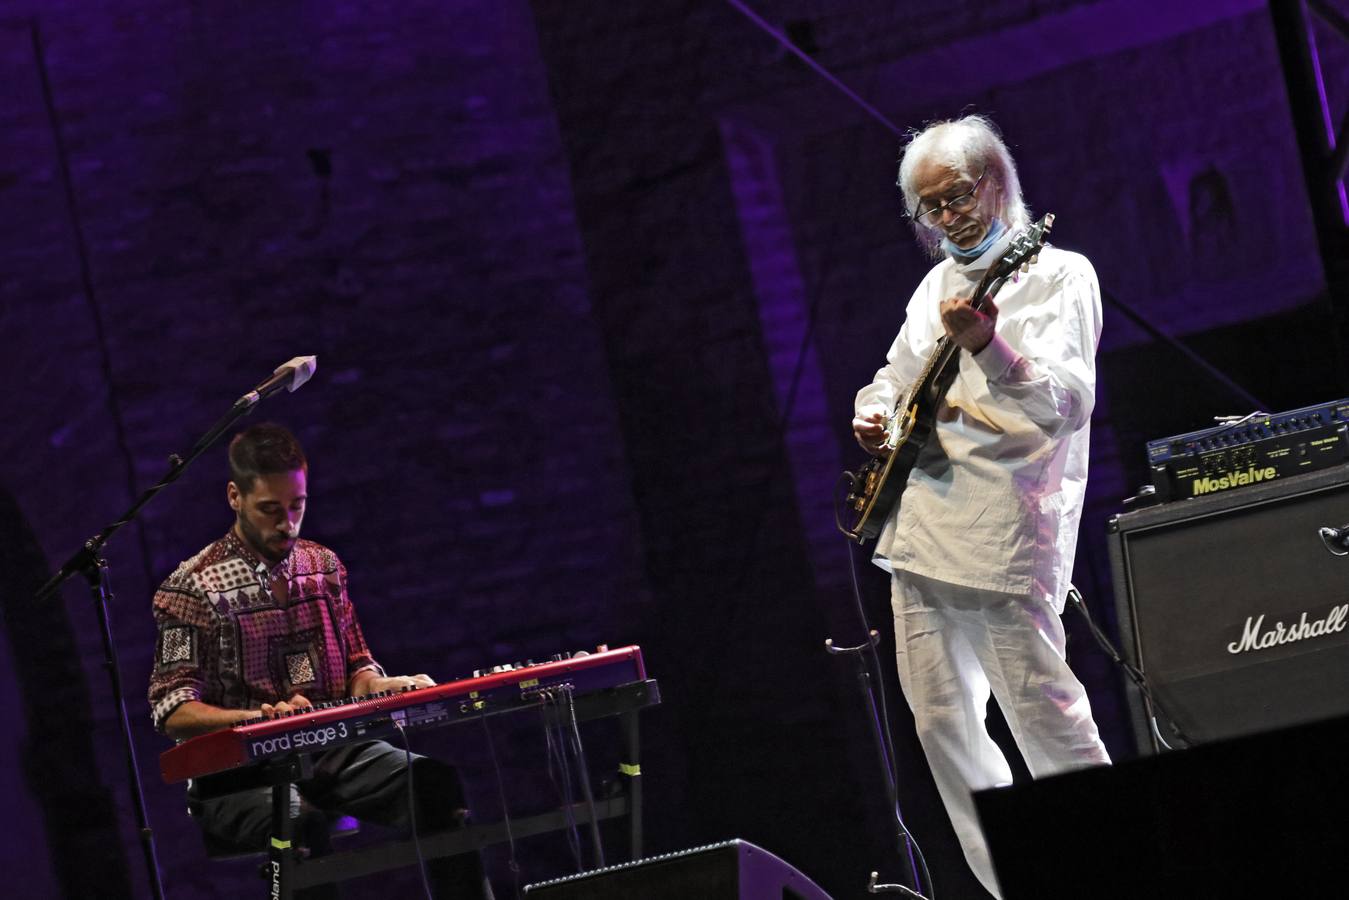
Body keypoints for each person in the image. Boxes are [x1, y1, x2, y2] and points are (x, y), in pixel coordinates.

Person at [852, 115, 1110, 899]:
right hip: (920, 531)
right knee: (943, 730)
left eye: (957, 196)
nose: (946, 217)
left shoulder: (1060, 274)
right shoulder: (933, 286)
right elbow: (892, 379)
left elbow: (1063, 404)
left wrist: (990, 348)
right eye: (928, 208)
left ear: (997, 179)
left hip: (1002, 534)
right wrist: (871, 409)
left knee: (1044, 722)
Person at [148, 422, 492, 899]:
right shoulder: (189, 588)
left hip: (334, 751)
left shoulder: (323, 568)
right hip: (240, 775)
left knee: (435, 786)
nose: (286, 523)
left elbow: (357, 666)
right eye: (270, 509)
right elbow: (173, 708)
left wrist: (381, 684)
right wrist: (257, 720)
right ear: (234, 496)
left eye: (297, 506)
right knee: (296, 825)